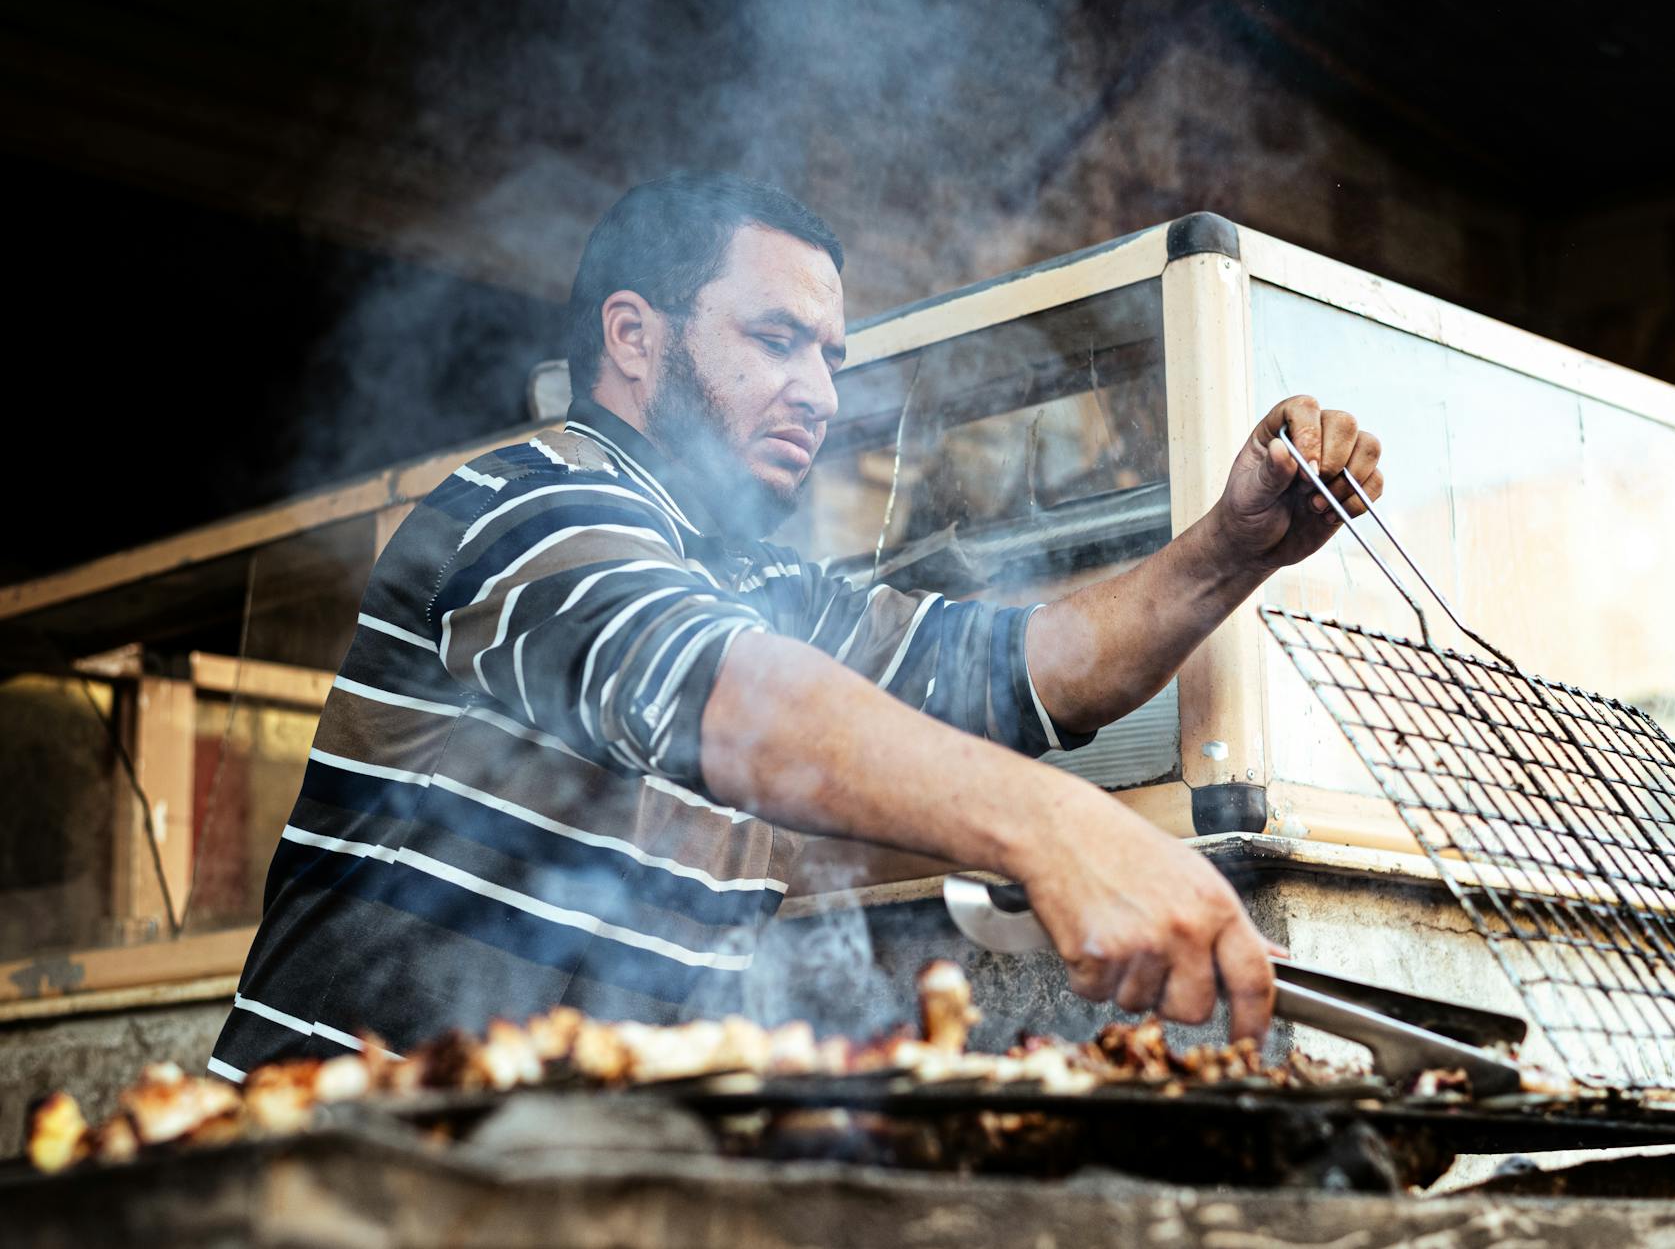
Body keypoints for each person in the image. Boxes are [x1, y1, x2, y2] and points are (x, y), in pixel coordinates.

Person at [209, 172, 1383, 1080]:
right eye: (775, 341)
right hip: (313, 1171)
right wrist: (1057, 833)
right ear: (633, 338)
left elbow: (1021, 670)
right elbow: (724, 696)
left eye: (829, 355)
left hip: (554, 1182)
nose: (820, 391)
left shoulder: (764, 586)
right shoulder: (519, 504)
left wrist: (1232, 547)